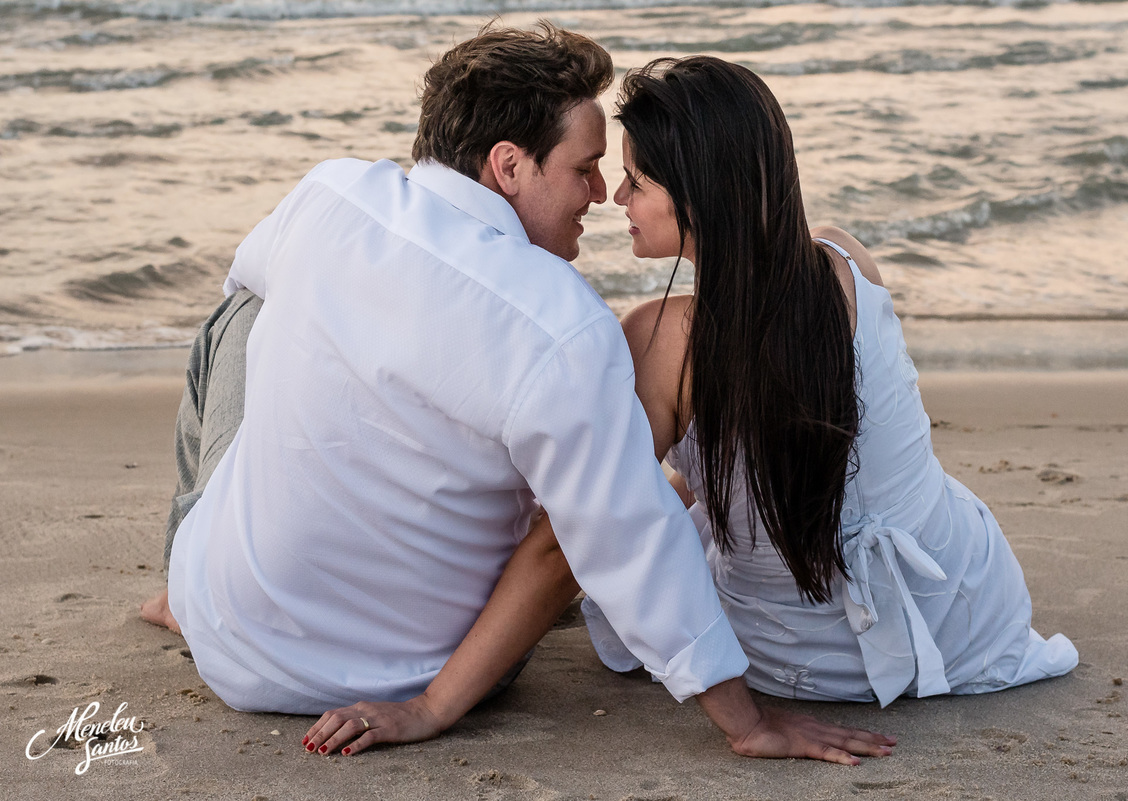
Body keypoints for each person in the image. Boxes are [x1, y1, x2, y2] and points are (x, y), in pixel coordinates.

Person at [140, 25, 895, 763]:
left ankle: (182, 582)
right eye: (584, 167)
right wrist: (744, 720)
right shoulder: (563, 323)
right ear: (508, 165)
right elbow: (628, 535)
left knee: (242, 311)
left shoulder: (330, 195)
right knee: (574, 470)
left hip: (229, 640)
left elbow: (246, 278)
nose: (600, 194)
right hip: (429, 672)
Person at [581, 56, 1078, 707]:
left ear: (698, 194)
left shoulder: (658, 337)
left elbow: (614, 518)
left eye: (635, 180)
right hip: (960, 616)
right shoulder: (844, 263)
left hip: (784, 660)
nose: (617, 198)